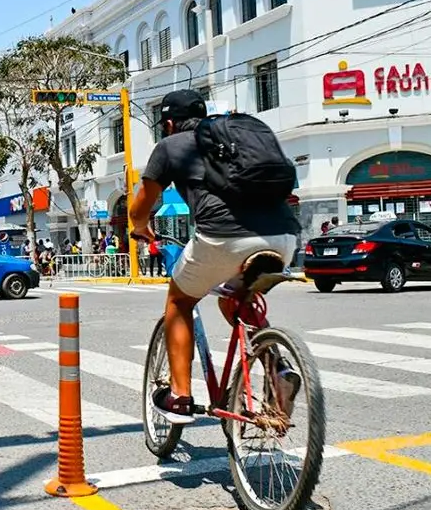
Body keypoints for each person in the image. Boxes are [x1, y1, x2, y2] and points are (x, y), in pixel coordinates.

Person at [129, 89, 302, 424]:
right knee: (235, 299)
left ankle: (179, 397)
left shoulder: (169, 146)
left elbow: (140, 206)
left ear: (168, 123)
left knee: (179, 303)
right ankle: (277, 368)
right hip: (283, 237)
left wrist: (140, 229)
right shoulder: (237, 140)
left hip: (223, 238)